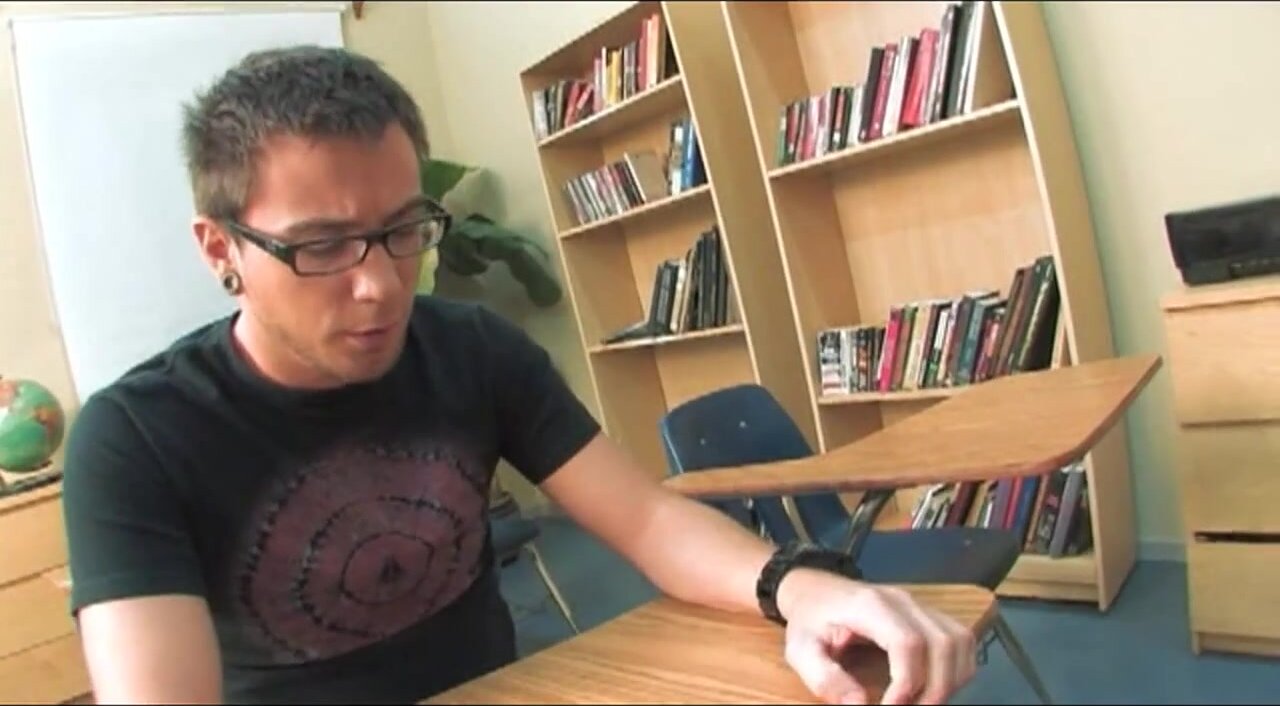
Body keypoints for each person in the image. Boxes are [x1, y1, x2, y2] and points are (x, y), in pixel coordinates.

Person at [61, 45, 976, 706]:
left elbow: (647, 519)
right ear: (220, 249)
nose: (380, 284)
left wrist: (803, 587)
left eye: (402, 229)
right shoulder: (136, 438)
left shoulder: (473, 351)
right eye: (321, 246)